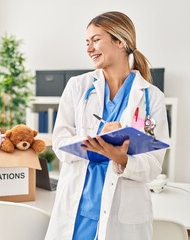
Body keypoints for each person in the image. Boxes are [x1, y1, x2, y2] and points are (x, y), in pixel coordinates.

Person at [45, 11, 169, 240]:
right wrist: (98, 136)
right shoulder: (78, 87)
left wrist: (123, 159)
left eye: (95, 40)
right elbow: (60, 143)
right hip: (78, 208)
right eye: (87, 42)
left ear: (120, 41)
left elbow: (153, 166)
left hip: (122, 216)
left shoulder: (152, 97)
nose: (89, 48)